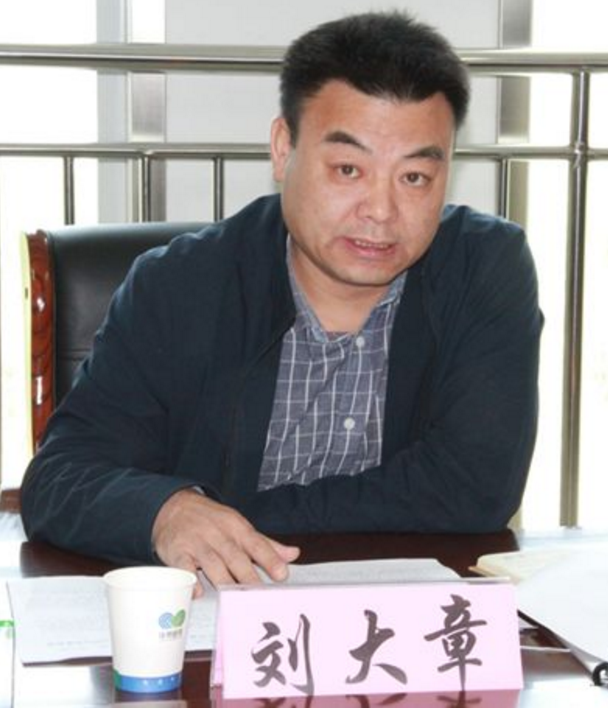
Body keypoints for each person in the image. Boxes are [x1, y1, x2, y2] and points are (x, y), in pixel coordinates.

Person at [21, 11, 542, 592]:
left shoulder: (483, 268)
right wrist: (164, 513)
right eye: (348, 169)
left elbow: (475, 490)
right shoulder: (179, 285)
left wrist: (228, 511)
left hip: (405, 622)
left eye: (414, 177)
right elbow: (58, 479)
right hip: (213, 626)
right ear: (282, 148)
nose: (381, 211)